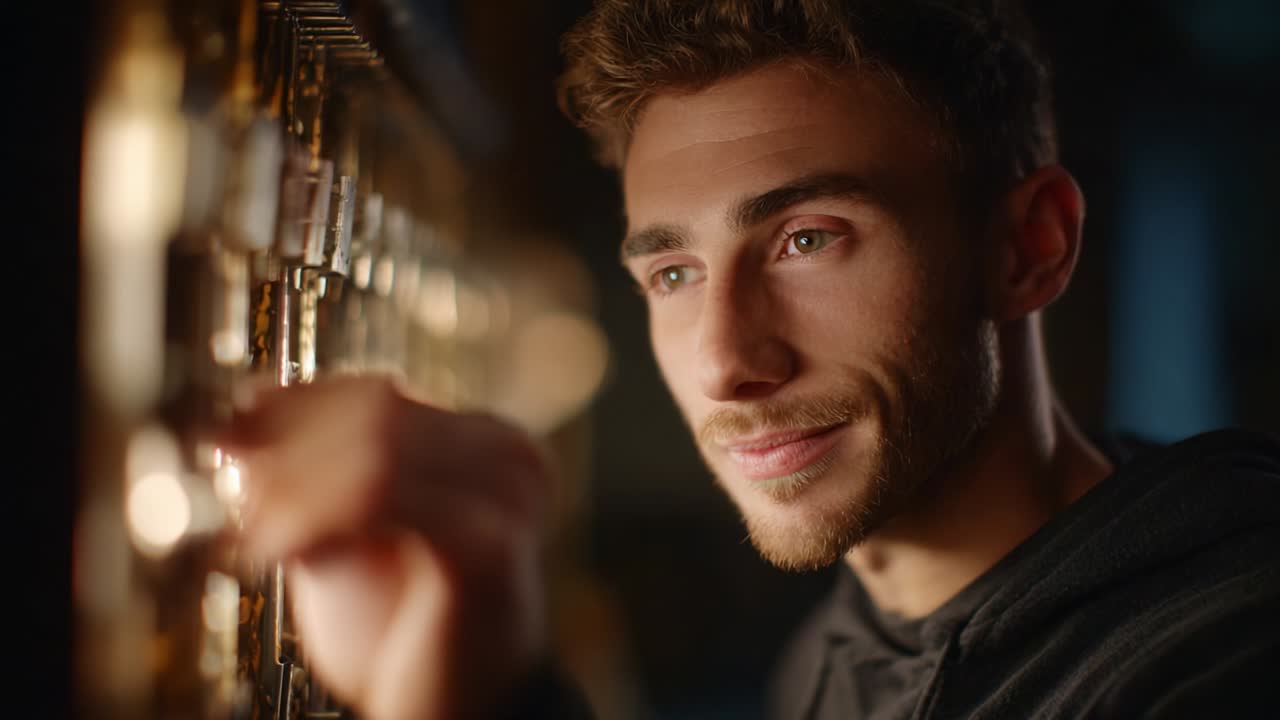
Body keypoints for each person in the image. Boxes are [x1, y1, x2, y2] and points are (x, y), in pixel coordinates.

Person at [225, 1, 1280, 718]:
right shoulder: (845, 641)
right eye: (673, 273)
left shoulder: (1217, 662)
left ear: (1026, 247)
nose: (727, 361)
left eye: (804, 240)